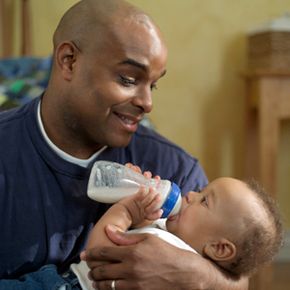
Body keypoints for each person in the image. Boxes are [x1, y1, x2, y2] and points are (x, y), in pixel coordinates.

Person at [0, 0, 249, 289]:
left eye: (153, 85)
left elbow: (239, 278)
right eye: (128, 79)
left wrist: (197, 275)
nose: (147, 103)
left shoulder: (174, 168)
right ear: (69, 60)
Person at [0, 173, 282, 290]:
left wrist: (126, 211)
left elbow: (99, 255)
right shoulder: (172, 236)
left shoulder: (167, 249)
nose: (192, 193)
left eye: (205, 200)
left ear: (219, 248)